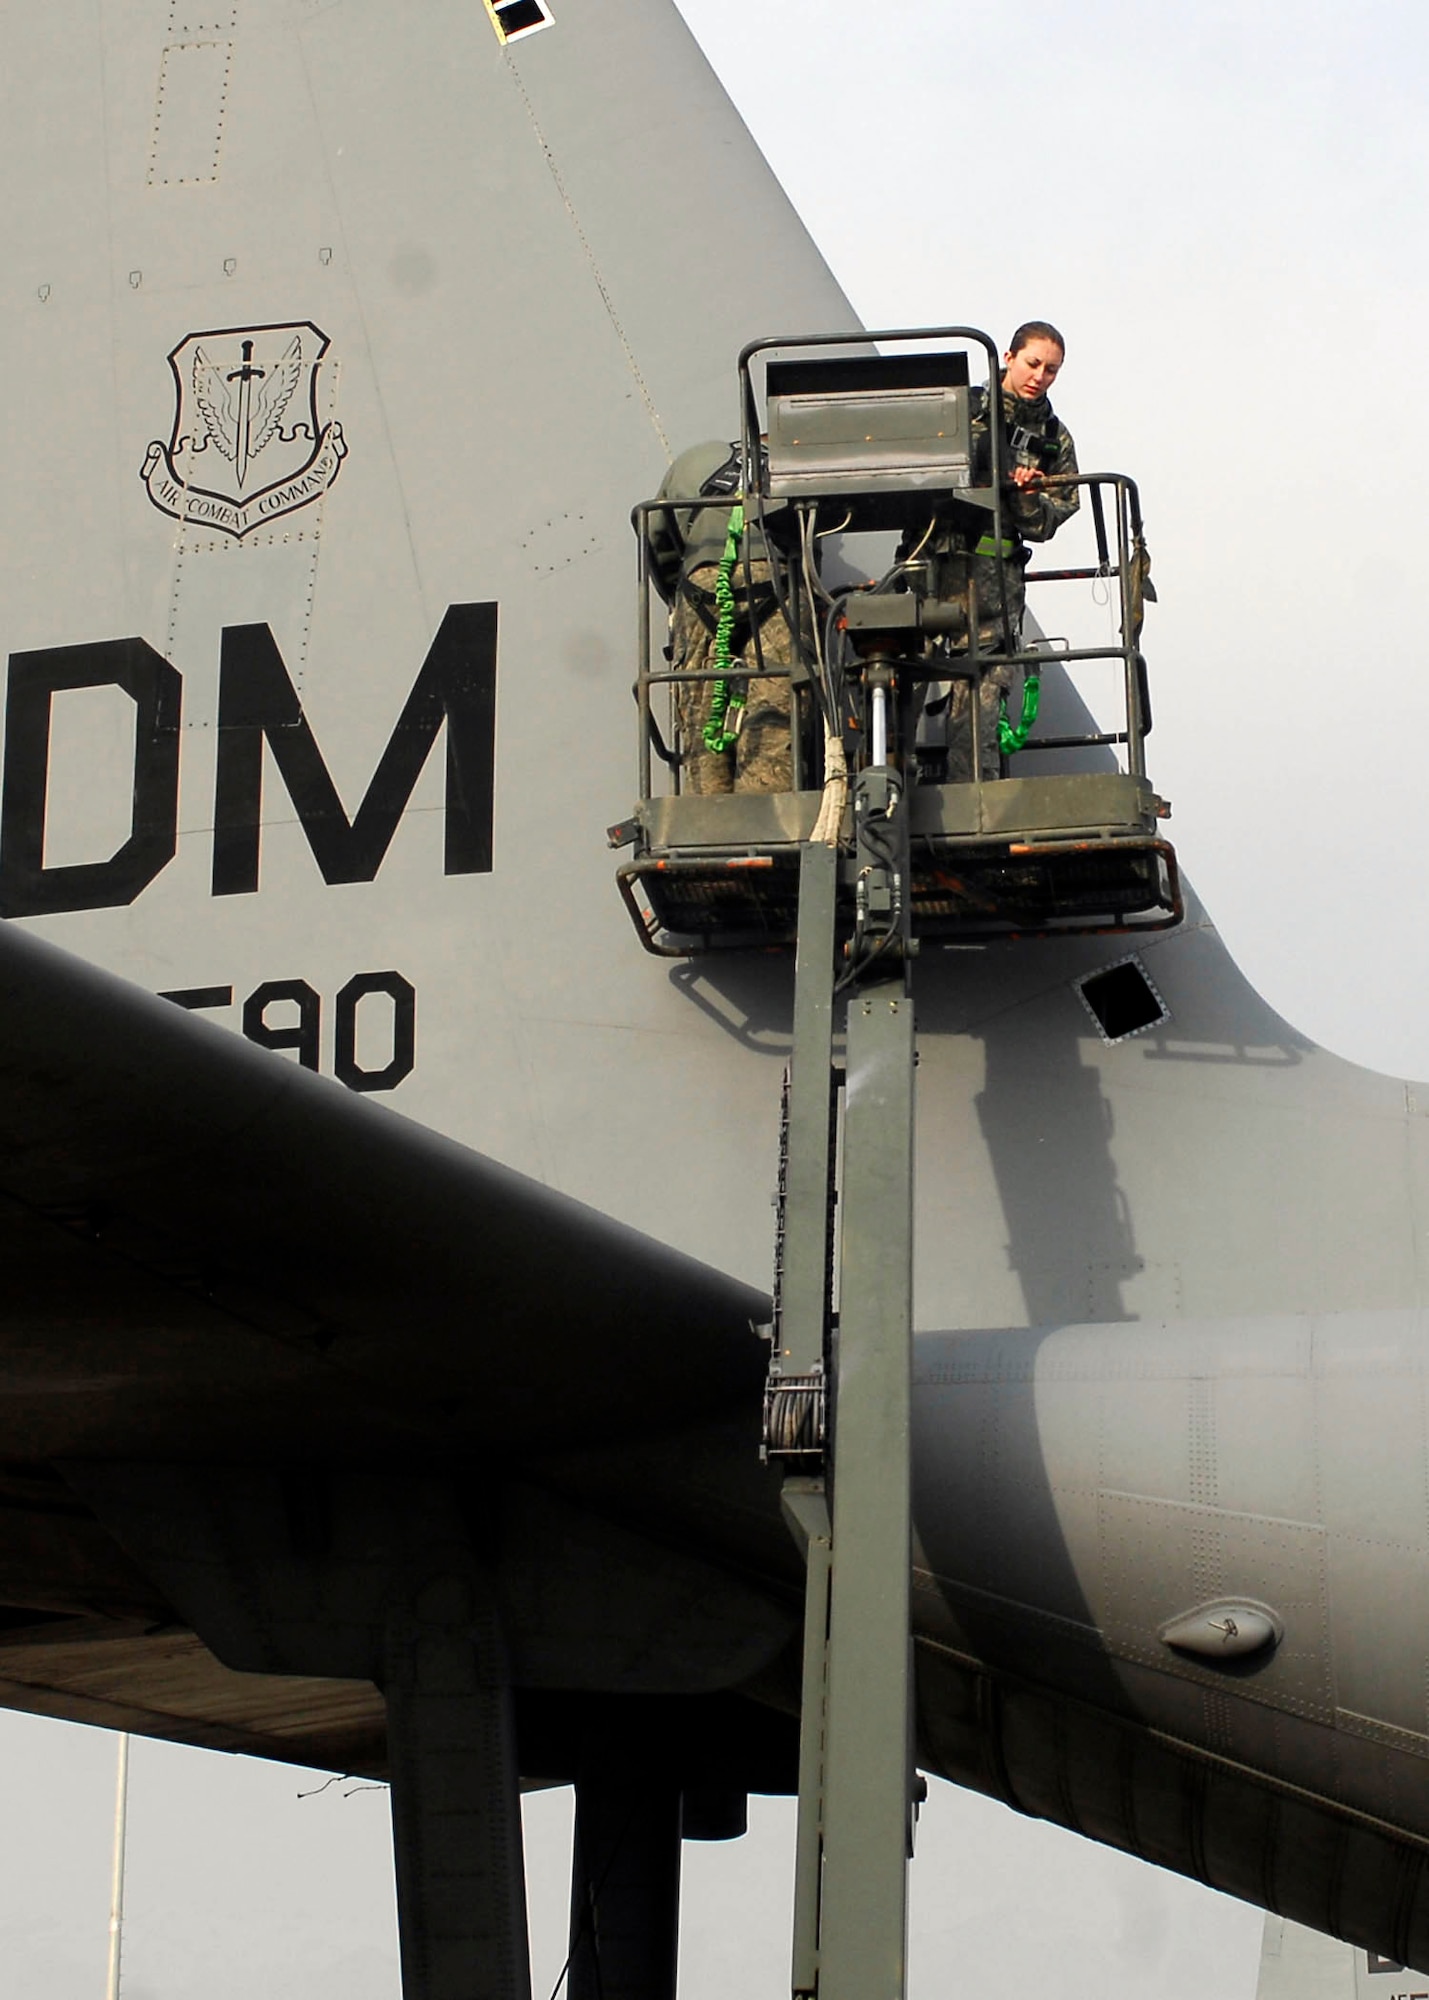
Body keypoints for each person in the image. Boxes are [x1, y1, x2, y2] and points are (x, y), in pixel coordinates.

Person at [930, 321, 1079, 780]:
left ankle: (975, 795)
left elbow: (1054, 517)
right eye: (1033, 363)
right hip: (934, 566)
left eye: (1051, 370)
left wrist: (1029, 497)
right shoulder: (959, 410)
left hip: (996, 583)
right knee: (900, 676)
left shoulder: (1055, 438)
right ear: (1009, 358)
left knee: (986, 689)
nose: (1040, 376)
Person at [646, 440, 793, 795]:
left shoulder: (693, 458)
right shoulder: (796, 465)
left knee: (701, 705)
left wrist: (679, 601)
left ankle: (710, 809)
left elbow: (655, 535)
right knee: (773, 712)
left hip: (703, 582)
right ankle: (765, 815)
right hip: (777, 580)